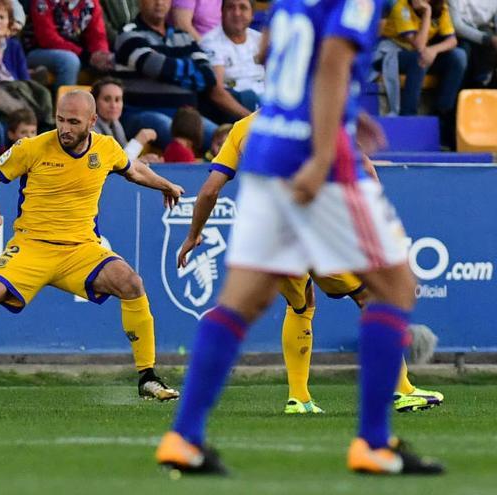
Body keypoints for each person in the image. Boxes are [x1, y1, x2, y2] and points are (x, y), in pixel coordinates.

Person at [156, 0, 444, 475]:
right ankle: (373, 441)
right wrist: (328, 138)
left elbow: (269, 51)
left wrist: (327, 106)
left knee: (240, 301)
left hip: (269, 145)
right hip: (318, 155)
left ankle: (183, 437)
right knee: (395, 285)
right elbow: (333, 60)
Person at [187, 111, 445, 414]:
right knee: (373, 296)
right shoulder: (316, 112)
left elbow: (210, 189)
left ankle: (299, 398)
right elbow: (362, 166)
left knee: (300, 306)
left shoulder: (243, 128)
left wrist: (193, 234)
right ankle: (401, 390)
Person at [0, 90, 185, 402]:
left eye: (74, 122)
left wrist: (167, 185)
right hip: (31, 247)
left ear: (92, 122)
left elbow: (134, 170)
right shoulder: (33, 147)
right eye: (60, 119)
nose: (65, 128)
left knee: (131, 283)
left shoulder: (106, 148)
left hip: (81, 249)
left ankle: (147, 376)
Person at [114, 0, 251, 125]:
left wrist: (169, 71)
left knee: (224, 140)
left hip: (187, 116)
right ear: (140, 2)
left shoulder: (184, 36)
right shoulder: (128, 33)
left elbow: (208, 76)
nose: (159, 2)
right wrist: (187, 72)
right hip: (145, 112)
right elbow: (156, 67)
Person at [381, 0, 467, 145]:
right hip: (391, 54)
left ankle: (442, 113)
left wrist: (433, 50)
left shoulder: (441, 8)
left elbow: (452, 41)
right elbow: (419, 45)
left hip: (420, 54)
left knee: (458, 56)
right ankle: (409, 118)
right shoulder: (401, 6)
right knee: (420, 58)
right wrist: (427, 13)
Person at [26, 0, 113, 87]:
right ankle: (66, 99)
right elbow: (47, 39)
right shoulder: (42, 2)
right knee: (70, 61)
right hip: (37, 51)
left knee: (108, 61)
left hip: (78, 52)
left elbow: (97, 35)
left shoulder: (91, 3)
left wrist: (101, 53)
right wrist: (86, 55)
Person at [199, 0, 264, 117]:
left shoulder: (259, 40)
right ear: (221, 12)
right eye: (230, 7)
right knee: (249, 96)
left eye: (243, 8)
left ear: (252, 14)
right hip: (236, 108)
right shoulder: (210, 42)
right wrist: (251, 119)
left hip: (263, 102)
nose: (237, 13)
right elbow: (217, 93)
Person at [90, 77, 160, 162]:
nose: (113, 105)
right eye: (107, 99)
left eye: (117, 100)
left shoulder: (116, 124)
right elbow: (116, 165)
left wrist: (141, 160)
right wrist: (139, 140)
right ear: (94, 102)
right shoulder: (90, 130)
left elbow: (122, 159)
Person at [449, 0, 497, 87]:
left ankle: (483, 86)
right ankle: (460, 94)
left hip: (483, 30)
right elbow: (457, 26)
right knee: (464, 49)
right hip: (456, 33)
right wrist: (488, 39)